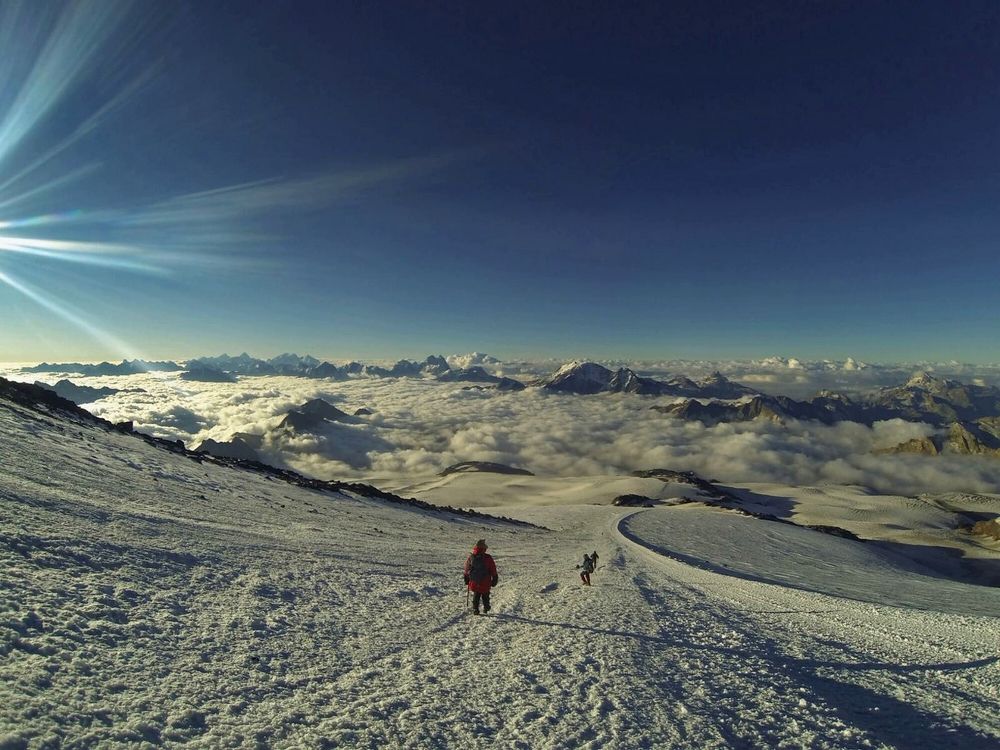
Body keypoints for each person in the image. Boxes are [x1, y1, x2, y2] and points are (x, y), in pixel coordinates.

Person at [464, 539, 498, 615]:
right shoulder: (488, 557)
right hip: (485, 580)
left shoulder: (471, 557)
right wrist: (495, 577)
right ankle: (486, 607)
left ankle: (475, 609)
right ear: (484, 548)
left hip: (474, 580)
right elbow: (493, 568)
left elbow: (467, 568)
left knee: (476, 594)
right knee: (485, 594)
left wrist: (466, 577)